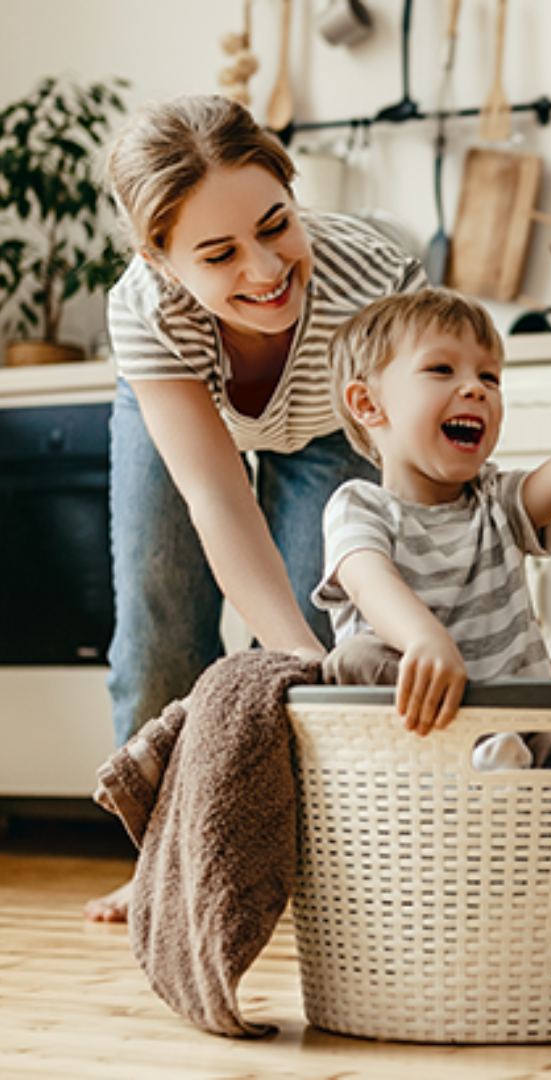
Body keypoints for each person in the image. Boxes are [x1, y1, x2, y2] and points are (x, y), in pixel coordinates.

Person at [84, 94, 425, 923]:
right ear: (163, 262)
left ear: (292, 191)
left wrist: (324, 660)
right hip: (188, 408)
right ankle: (165, 863)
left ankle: (312, 869)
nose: (266, 271)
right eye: (220, 253)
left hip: (331, 424)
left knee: (328, 630)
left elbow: (413, 465)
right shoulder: (146, 310)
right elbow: (215, 497)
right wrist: (297, 661)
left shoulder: (376, 278)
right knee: (161, 623)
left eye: (276, 225)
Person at [313, 288, 551, 769]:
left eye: (489, 376)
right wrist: (425, 640)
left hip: (529, 715)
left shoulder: (496, 501)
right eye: (441, 369)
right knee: (353, 662)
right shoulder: (358, 506)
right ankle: (493, 753)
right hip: (429, 731)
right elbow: (369, 582)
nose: (476, 389)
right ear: (367, 404)